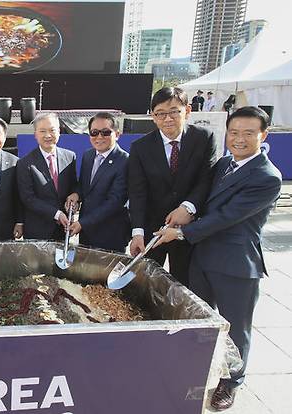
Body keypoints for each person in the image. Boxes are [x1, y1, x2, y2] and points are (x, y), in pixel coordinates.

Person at [153, 106, 282, 411]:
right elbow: (201, 195)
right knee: (202, 321)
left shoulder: (267, 177)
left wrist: (181, 233)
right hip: (203, 257)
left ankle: (231, 381)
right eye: (234, 132)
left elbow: (226, 216)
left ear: (263, 135)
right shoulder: (224, 164)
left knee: (235, 328)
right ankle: (199, 370)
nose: (239, 139)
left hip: (236, 265)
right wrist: (185, 209)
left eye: (248, 133)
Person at [128, 87, 218, 286]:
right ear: (153, 116)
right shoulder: (140, 147)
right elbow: (137, 192)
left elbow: (207, 179)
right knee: (146, 285)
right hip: (153, 231)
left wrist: (188, 207)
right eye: (160, 113)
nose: (167, 119)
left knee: (186, 284)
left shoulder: (204, 139)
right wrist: (137, 233)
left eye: (174, 111)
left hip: (190, 228)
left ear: (187, 110)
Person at [70, 112, 130, 252]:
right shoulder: (88, 155)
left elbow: (115, 201)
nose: (99, 137)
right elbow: (85, 185)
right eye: (94, 132)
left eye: (105, 132)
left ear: (117, 134)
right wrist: (77, 195)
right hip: (86, 234)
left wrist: (82, 223)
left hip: (111, 234)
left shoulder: (125, 161)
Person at [16, 113, 78, 240]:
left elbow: (73, 185)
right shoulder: (25, 163)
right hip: (37, 230)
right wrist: (56, 214)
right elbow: (28, 198)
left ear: (59, 132)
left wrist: (75, 197)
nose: (48, 135)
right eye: (42, 131)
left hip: (63, 229)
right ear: (35, 135)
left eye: (52, 130)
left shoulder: (70, 157)